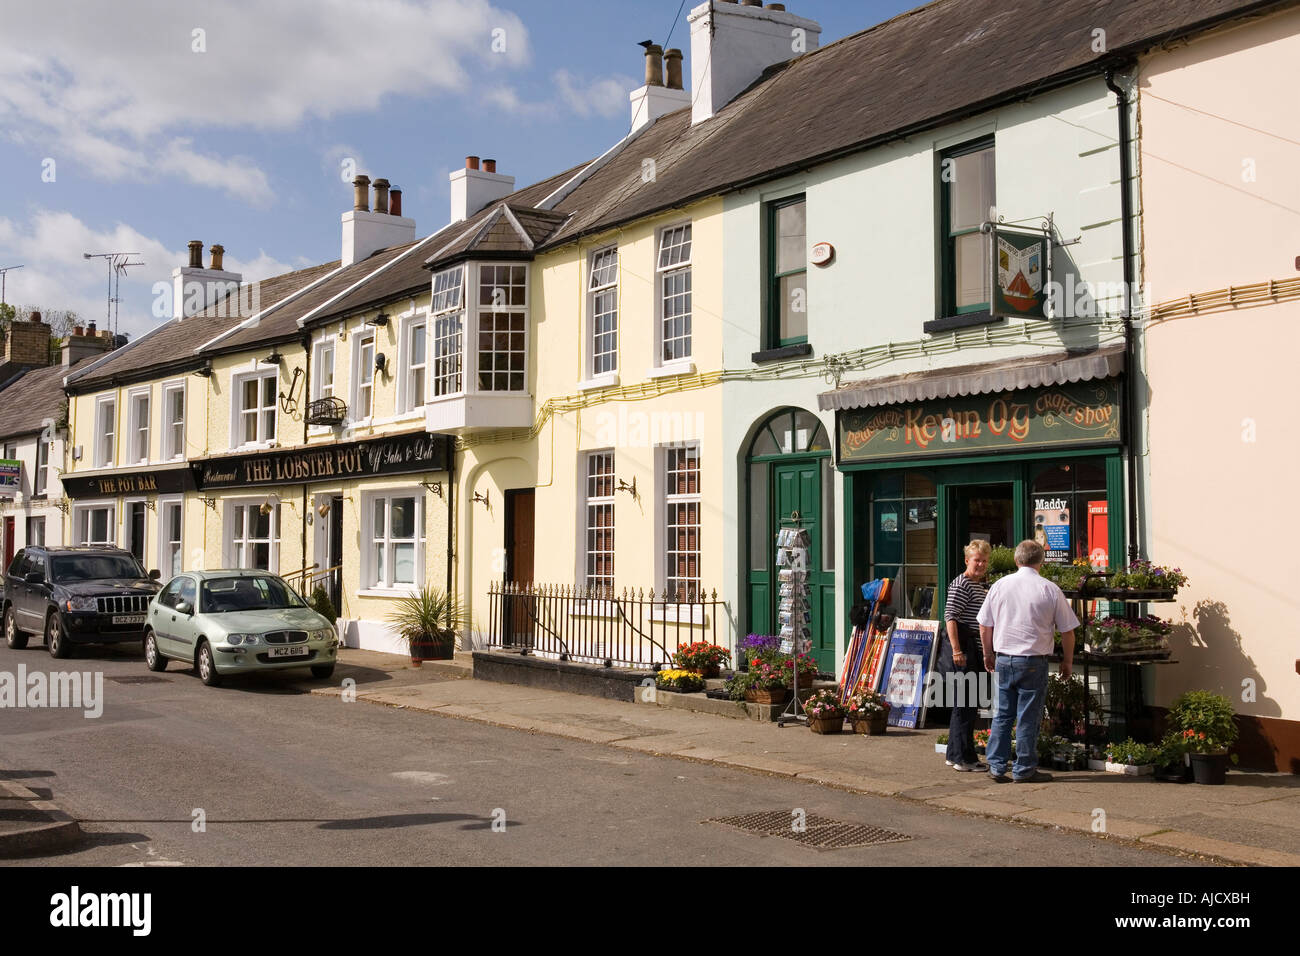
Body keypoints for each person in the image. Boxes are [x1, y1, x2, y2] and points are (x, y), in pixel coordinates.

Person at [977, 539, 1078, 783]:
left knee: (1002, 715)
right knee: (1028, 717)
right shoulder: (1049, 589)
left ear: (1016, 560)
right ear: (1041, 561)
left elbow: (984, 625)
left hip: (1004, 658)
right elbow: (1068, 631)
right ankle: (1024, 768)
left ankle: (997, 766)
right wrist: (1067, 661)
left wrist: (987, 653)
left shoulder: (1000, 586)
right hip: (1034, 660)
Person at [942, 540, 990, 771]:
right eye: (976, 560)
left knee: (966, 705)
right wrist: (957, 650)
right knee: (966, 704)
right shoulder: (961, 584)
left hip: (973, 648)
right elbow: (950, 617)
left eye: (983, 560)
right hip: (965, 648)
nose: (980, 564)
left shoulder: (978, 585)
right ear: (966, 561)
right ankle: (965, 758)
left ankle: (955, 754)